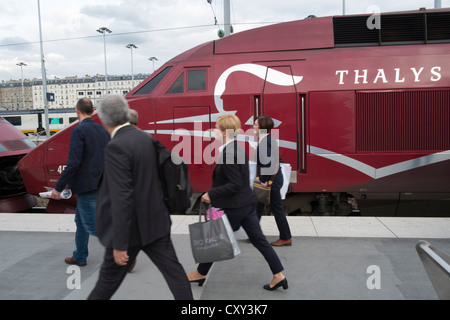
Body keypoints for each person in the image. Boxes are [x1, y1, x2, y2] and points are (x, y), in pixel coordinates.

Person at [88, 95, 193, 300]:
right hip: (156, 223)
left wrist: (120, 244)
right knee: (175, 273)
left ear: (103, 120)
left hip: (130, 231)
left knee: (106, 283)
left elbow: (121, 197)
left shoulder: (116, 146)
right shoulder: (145, 138)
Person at [187, 114, 288, 291]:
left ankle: (200, 273)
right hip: (246, 204)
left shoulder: (230, 152)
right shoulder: (236, 148)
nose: (215, 131)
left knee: (215, 237)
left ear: (225, 132)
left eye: (217, 128)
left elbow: (235, 184)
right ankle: (279, 275)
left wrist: (211, 193)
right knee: (260, 241)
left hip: (235, 206)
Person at [49, 98, 110, 266]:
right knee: (81, 222)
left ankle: (124, 250)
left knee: (91, 224)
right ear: (92, 110)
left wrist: (58, 187)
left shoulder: (79, 131)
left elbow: (74, 163)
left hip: (86, 185)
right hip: (101, 182)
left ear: (77, 110)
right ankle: (80, 256)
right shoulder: (102, 130)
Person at [254, 115, 292, 247]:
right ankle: (254, 233)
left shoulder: (265, 141)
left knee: (276, 209)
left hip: (271, 181)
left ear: (262, 127)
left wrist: (265, 181)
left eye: (256, 124)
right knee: (258, 205)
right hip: (271, 179)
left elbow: (268, 163)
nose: (253, 126)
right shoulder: (267, 139)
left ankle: (286, 237)